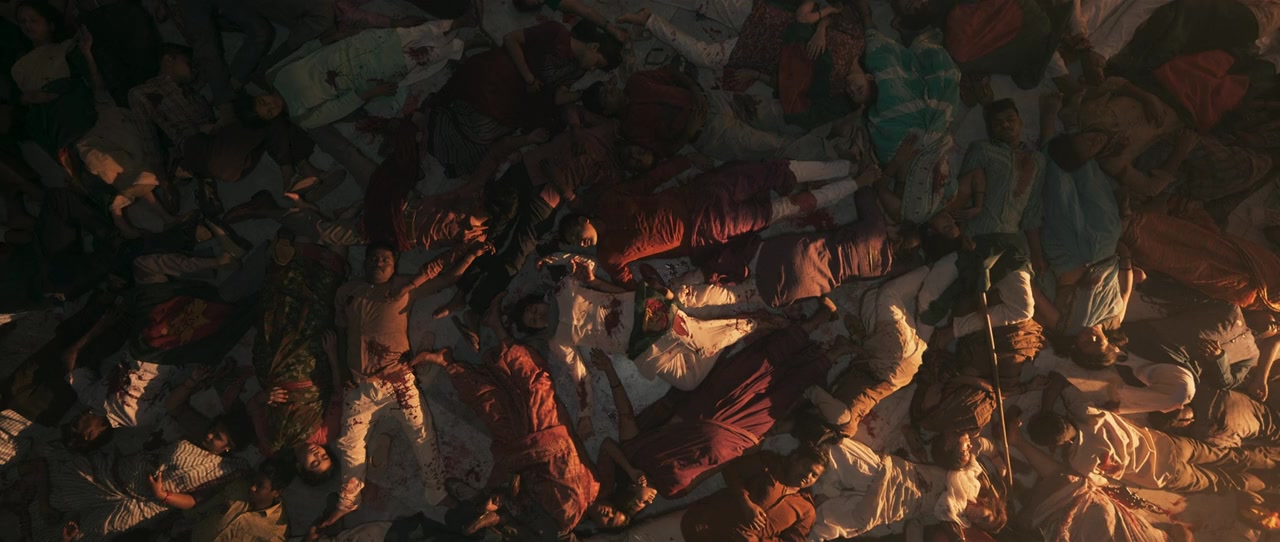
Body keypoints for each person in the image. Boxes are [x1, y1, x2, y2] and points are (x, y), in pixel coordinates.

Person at [591, 298, 838, 498]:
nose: (647, 503)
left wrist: (609, 371)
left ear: (629, 488)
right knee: (785, 393)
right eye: (643, 508)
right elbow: (712, 471)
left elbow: (623, 415)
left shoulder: (634, 452)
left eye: (639, 502)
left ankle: (818, 319)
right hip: (739, 436)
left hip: (704, 408)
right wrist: (744, 451)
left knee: (757, 365)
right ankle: (835, 353)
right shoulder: (672, 492)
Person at [317, 244, 487, 528]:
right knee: (349, 444)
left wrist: (470, 254)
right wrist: (343, 367)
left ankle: (437, 492)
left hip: (397, 381)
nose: (379, 262)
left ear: (395, 265)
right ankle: (348, 501)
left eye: (386, 258)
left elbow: (446, 279)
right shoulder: (348, 291)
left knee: (423, 434)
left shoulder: (403, 288)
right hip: (358, 385)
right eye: (374, 257)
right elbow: (343, 329)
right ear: (365, 263)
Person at [531, 260, 766, 437]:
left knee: (698, 339)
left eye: (532, 310)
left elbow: (583, 265)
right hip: (637, 347)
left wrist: (586, 277)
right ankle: (722, 334)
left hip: (644, 314)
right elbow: (579, 375)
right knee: (689, 380)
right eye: (532, 322)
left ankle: (751, 323)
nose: (537, 316)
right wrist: (585, 416)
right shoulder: (556, 341)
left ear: (536, 301)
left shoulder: (564, 289)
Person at [558, 158, 858, 286]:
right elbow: (629, 287)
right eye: (575, 243)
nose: (579, 241)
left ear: (584, 219)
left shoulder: (610, 201)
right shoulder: (608, 256)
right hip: (707, 229)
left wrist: (685, 162)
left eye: (575, 232)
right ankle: (856, 182)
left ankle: (846, 166)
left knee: (770, 170)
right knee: (778, 210)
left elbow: (647, 181)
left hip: (700, 195)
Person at [429, 334, 600, 538]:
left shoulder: (554, 524)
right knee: (534, 389)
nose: (607, 514)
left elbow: (521, 500)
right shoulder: (592, 492)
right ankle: (500, 333)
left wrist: (499, 500)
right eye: (613, 514)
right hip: (552, 436)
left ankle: (447, 362)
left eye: (609, 520)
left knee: (492, 407)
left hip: (523, 455)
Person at [425, 20, 622, 176]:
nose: (592, 69)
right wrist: (528, 77)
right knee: (477, 115)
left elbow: (558, 97)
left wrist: (581, 94)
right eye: (596, 63)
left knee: (484, 134)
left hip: (518, 97)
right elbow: (511, 39)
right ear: (594, 46)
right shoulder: (557, 33)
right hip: (505, 73)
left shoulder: (577, 70)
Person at [44, 414, 253, 540]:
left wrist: (162, 494)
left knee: (84, 531)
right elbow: (175, 407)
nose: (209, 435)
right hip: (119, 475)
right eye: (212, 430)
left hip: (145, 504)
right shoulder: (192, 440)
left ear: (229, 447)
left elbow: (194, 500)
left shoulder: (220, 470)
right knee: (60, 490)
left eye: (217, 437)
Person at [253, 19, 466, 129]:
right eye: (269, 112)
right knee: (418, 57)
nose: (271, 105)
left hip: (349, 49)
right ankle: (462, 45)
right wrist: (374, 92)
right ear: (273, 119)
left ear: (259, 94)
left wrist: (333, 37)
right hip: (362, 75)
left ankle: (458, 22)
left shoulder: (274, 75)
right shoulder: (302, 117)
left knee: (410, 34)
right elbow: (339, 107)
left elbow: (303, 52)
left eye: (263, 102)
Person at [1027, 400, 1267, 493]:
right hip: (1171, 446)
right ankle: (1272, 459)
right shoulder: (1090, 415)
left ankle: (1267, 484)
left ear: (1057, 445)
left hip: (1164, 474)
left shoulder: (1080, 462)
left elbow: (1100, 482)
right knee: (1229, 456)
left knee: (1223, 482)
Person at [582, 64, 799, 163]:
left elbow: (671, 73)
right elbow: (663, 151)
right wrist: (689, 132)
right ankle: (819, 151)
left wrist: (695, 90)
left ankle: (815, 121)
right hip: (708, 134)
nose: (611, 90)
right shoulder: (630, 129)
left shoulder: (635, 81)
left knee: (777, 112)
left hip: (711, 100)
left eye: (607, 87)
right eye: (605, 95)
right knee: (771, 145)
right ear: (606, 110)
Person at [809, 436, 1007, 540]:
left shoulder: (950, 517)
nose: (977, 519)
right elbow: (977, 444)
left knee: (839, 523)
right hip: (893, 476)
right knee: (835, 454)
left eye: (980, 524)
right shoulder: (968, 478)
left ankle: (803, 517)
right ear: (987, 502)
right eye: (985, 517)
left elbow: (915, 524)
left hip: (888, 507)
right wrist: (997, 459)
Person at [950, 98, 1049, 270]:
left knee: (1020, 285)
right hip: (977, 235)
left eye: (1010, 119)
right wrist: (961, 236)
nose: (1005, 125)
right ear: (990, 129)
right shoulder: (982, 150)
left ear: (1020, 122)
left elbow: (1032, 211)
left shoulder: (1037, 160)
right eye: (997, 123)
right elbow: (963, 195)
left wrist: (1037, 255)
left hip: (1011, 240)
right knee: (979, 283)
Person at [679, 447, 825, 540]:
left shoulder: (807, 510)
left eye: (814, 475)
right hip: (701, 524)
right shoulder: (770, 464)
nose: (808, 476)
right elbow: (732, 469)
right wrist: (745, 502)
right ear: (794, 459)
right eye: (806, 467)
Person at [1124, 300, 1272, 391]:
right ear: (1261, 310)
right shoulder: (1231, 308)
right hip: (1162, 340)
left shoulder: (1252, 355)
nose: (1275, 325)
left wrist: (1219, 359)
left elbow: (1228, 383)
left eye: (1278, 328)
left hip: (1181, 367)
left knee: (1183, 391)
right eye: (1276, 319)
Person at [11, 1, 97, 154]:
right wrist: (28, 98)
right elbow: (21, 99)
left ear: (50, 25)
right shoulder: (19, 66)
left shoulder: (67, 48)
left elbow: (93, 83)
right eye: (22, 22)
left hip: (73, 109)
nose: (27, 25)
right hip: (48, 121)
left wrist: (86, 52)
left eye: (34, 20)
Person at [187, 459, 292, 542]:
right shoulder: (238, 488)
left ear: (276, 492)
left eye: (260, 486)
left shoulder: (276, 531)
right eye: (254, 481)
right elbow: (204, 508)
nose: (252, 488)